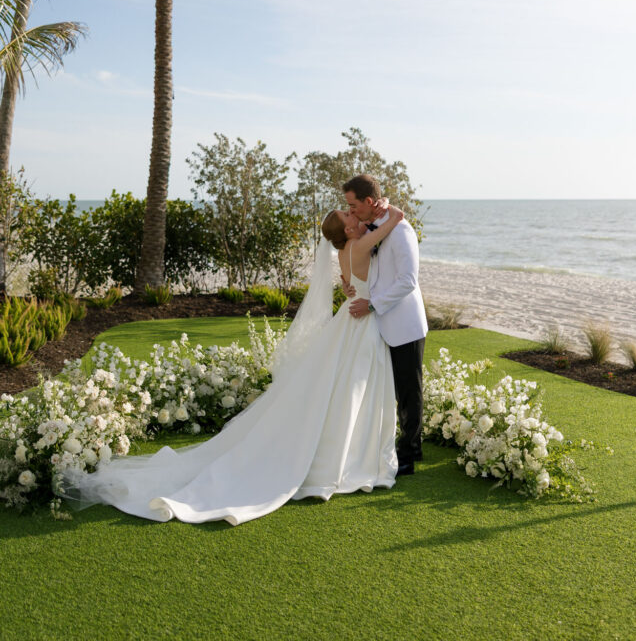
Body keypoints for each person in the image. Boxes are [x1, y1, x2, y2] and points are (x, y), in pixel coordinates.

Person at [57, 206, 403, 527]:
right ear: (347, 229)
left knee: (343, 386)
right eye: (349, 215)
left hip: (348, 320)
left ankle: (348, 450)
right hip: (360, 323)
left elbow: (354, 273)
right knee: (355, 386)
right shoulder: (359, 245)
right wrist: (386, 211)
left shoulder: (344, 251)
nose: (354, 215)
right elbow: (395, 220)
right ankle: (351, 454)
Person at [343, 174, 428, 476]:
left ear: (369, 201)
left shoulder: (401, 230)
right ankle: (395, 444)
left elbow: (408, 281)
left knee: (408, 392)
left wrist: (372, 304)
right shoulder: (378, 227)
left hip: (404, 324)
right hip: (381, 323)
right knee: (389, 389)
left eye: (353, 205)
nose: (351, 211)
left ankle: (410, 453)